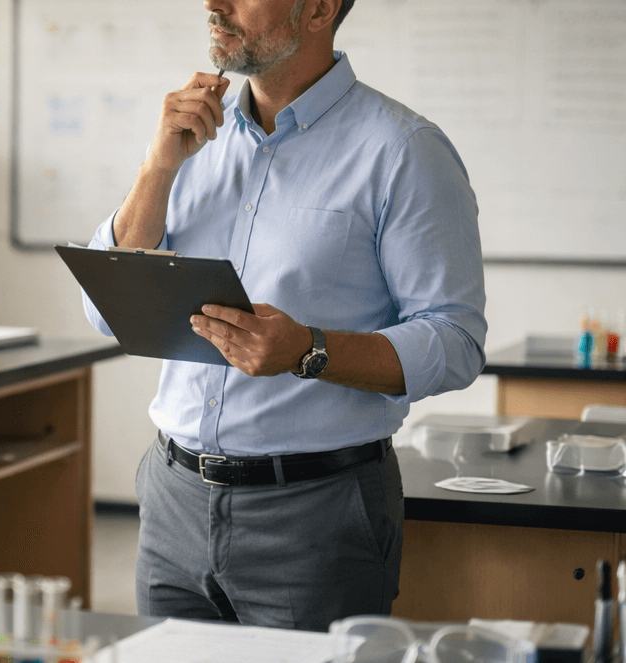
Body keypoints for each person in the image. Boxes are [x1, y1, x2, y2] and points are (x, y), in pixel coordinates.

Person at [80, 0, 487, 632]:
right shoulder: (191, 139)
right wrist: (157, 168)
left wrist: (308, 351)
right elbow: (106, 310)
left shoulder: (404, 150)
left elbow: (454, 340)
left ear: (320, 9)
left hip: (317, 514)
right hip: (173, 499)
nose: (214, 4)